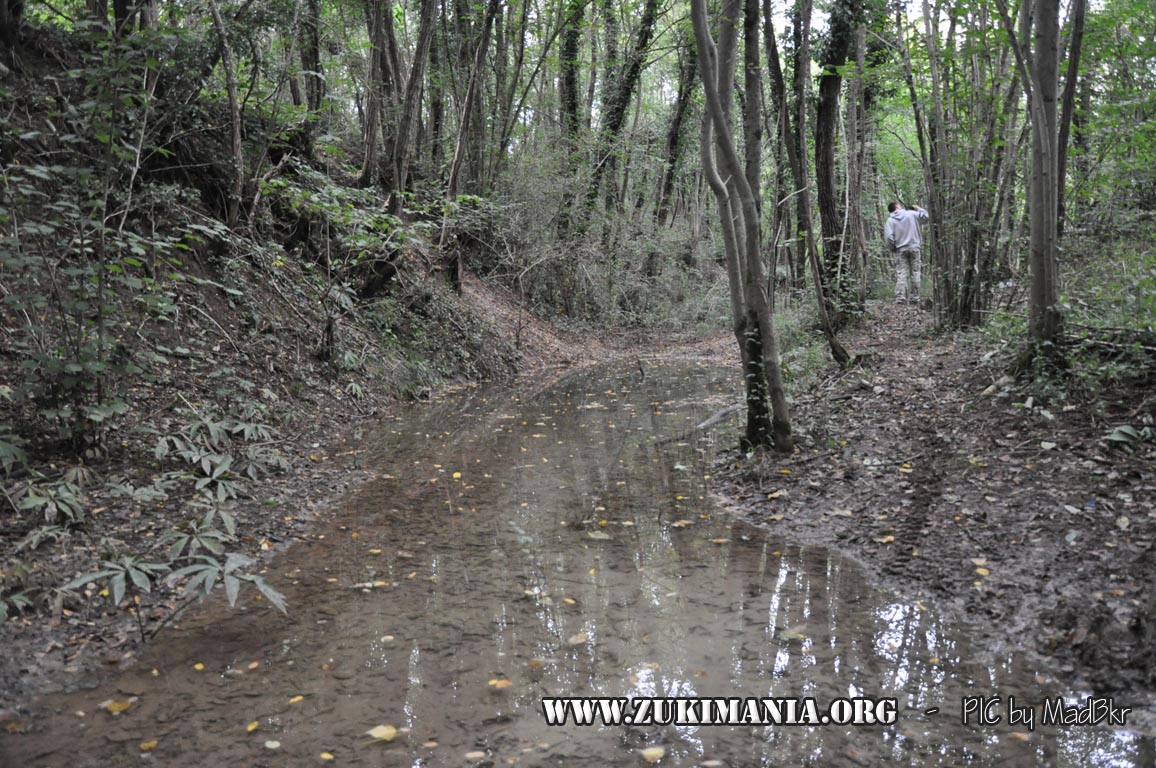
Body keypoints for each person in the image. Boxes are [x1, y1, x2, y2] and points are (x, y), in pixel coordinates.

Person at [884, 202, 929, 305]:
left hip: (901, 249)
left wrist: (894, 248)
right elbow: (926, 217)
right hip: (915, 247)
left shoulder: (890, 221)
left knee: (901, 273)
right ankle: (915, 298)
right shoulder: (911, 214)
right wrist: (917, 207)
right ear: (897, 206)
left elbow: (889, 237)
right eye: (899, 204)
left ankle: (900, 298)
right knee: (915, 272)